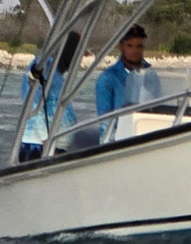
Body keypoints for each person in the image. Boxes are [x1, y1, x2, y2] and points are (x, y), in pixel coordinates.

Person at [19, 31, 80, 162]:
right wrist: (48, 144)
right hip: (40, 148)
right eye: (76, 54)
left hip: (54, 146)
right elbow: (34, 104)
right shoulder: (45, 66)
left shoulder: (56, 70)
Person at [95, 24, 161, 139]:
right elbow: (105, 121)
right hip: (119, 139)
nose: (135, 51)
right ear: (120, 47)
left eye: (139, 46)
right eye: (130, 46)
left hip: (148, 135)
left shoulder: (152, 76)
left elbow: (158, 109)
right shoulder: (107, 78)